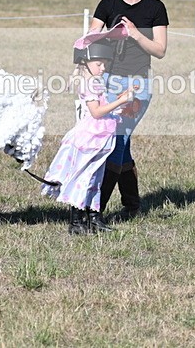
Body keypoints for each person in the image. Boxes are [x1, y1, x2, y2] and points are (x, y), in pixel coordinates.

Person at [89, 0, 169, 221]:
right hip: (107, 82)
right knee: (118, 143)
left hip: (137, 85)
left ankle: (94, 212)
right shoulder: (107, 4)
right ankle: (133, 205)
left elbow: (159, 50)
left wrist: (135, 33)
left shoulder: (155, 8)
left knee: (116, 142)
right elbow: (89, 41)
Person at [41, 29, 135, 235]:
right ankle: (76, 222)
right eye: (99, 64)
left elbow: (102, 108)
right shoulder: (89, 84)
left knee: (94, 179)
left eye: (105, 63)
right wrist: (120, 101)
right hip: (90, 139)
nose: (103, 67)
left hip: (100, 138)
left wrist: (119, 107)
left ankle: (92, 219)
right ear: (86, 63)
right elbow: (96, 112)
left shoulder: (95, 81)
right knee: (83, 178)